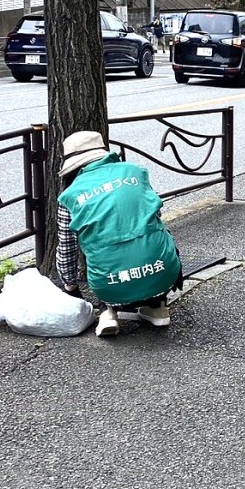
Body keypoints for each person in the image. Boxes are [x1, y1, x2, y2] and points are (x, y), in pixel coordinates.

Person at [56, 131, 182, 338]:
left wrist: (70, 286)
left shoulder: (69, 196)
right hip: (163, 272)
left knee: (99, 248)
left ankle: (107, 312)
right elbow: (155, 215)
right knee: (155, 235)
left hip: (109, 283)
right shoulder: (135, 172)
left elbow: (67, 247)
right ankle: (158, 306)